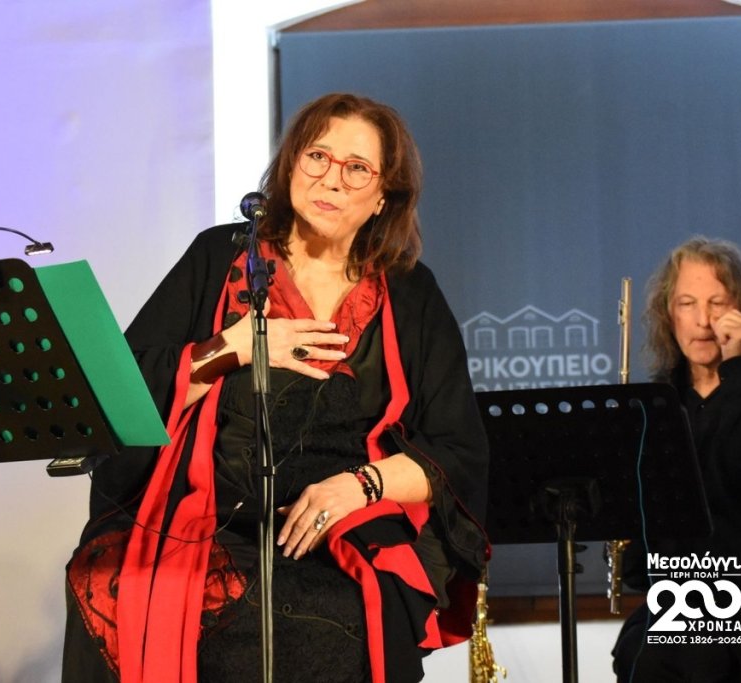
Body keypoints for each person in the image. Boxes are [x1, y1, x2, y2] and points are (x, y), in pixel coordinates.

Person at [61, 92, 490, 683]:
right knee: (110, 583)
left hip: (344, 529)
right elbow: (124, 391)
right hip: (208, 516)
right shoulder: (220, 255)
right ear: (290, 165)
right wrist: (235, 346)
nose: (330, 179)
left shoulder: (411, 291)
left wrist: (360, 485)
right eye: (317, 156)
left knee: (331, 617)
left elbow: (457, 452)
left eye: (356, 168)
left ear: (383, 197)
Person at [611, 236, 741, 682]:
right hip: (683, 595)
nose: (704, 321)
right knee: (637, 652)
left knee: (686, 657)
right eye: (687, 304)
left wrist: (737, 367)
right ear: (668, 314)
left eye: (718, 303)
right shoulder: (659, 401)